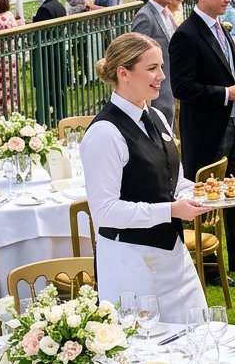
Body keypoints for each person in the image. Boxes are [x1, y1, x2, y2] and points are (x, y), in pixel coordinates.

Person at [81, 32, 210, 323]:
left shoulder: (157, 117)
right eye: (152, 68)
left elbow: (172, 183)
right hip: (130, 263)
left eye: (161, 67)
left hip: (173, 256)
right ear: (123, 73)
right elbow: (105, 212)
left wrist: (201, 192)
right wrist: (171, 210)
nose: (162, 76)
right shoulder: (104, 134)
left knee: (198, 337)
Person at [169, 0, 235, 277]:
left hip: (234, 123)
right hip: (207, 129)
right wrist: (225, 93)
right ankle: (210, 263)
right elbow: (182, 86)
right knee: (209, 196)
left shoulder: (222, 28)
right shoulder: (186, 35)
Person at [131, 0, 178, 125]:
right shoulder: (145, 16)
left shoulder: (167, 13)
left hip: (170, 82)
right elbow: (137, 54)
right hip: (156, 87)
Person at [32, 0, 69, 126]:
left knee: (47, 86)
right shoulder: (59, 6)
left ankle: (45, 117)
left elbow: (40, 34)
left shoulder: (45, 9)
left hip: (47, 55)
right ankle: (59, 115)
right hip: (57, 52)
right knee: (56, 84)